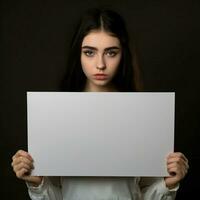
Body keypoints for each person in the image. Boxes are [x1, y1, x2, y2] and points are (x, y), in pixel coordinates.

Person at [11, 8, 189, 200]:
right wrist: (36, 183)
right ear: (78, 54)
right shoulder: (57, 114)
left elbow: (144, 194)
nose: (100, 64)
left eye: (111, 53)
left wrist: (168, 184)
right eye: (89, 52)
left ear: (123, 55)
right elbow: (57, 195)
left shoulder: (142, 114)